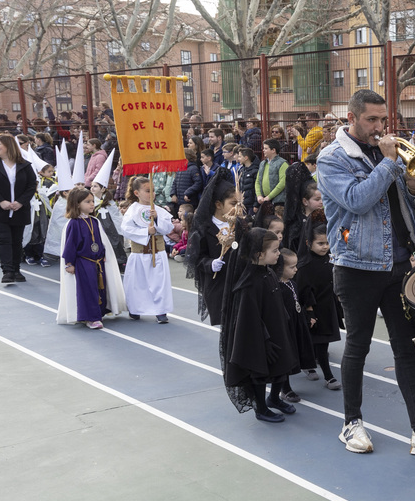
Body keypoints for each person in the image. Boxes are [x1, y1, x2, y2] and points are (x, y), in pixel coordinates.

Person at [316, 89, 415, 456]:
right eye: (372, 120)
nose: (380, 127)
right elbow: (357, 201)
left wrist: (413, 187)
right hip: (356, 265)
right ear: (351, 118)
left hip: (398, 265)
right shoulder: (332, 158)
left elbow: (404, 209)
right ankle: (352, 423)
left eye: (384, 120)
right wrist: (388, 164)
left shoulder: (390, 156)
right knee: (358, 347)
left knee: (406, 348)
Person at [219, 227, 298, 422]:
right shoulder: (249, 283)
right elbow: (249, 317)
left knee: (283, 366)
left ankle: (274, 399)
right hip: (261, 337)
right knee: (260, 373)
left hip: (278, 330)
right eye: (274, 250)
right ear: (258, 254)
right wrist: (265, 339)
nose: (278, 254)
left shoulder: (268, 272)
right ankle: (261, 408)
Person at [56, 186, 125, 329]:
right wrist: (69, 263)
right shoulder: (74, 224)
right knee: (88, 289)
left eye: (92, 201)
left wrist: (103, 254)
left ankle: (99, 312)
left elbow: (100, 241)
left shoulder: (94, 221)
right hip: (83, 262)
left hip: (98, 262)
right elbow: (70, 245)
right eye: (88, 202)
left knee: (100, 287)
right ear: (77, 204)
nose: (92, 204)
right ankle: (91, 317)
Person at [184, 175, 244, 325]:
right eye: (233, 203)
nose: (237, 207)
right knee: (226, 324)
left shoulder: (240, 225)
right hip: (217, 286)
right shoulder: (204, 229)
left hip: (239, 283)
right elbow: (196, 258)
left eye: (239, 203)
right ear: (218, 204)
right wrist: (211, 264)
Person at [0, 134, 38, 284]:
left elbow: (32, 184)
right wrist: (0, 201)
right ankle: (7, 271)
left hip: (19, 209)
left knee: (17, 241)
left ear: (9, 145)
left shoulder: (24, 164)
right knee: (3, 239)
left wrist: (20, 202)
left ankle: (16, 270)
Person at [119, 176, 174, 324]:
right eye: (148, 191)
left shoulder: (159, 210)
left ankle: (160, 311)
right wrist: (145, 232)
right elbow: (125, 229)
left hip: (158, 253)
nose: (152, 194)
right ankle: (136, 309)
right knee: (137, 283)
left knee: (159, 282)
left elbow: (169, 228)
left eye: (153, 190)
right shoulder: (133, 210)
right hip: (139, 253)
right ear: (137, 193)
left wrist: (156, 220)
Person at [298, 222, 341, 391]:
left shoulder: (330, 259)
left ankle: (323, 372)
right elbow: (303, 290)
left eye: (327, 243)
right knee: (311, 342)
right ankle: (326, 375)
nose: (325, 247)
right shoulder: (305, 265)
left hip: (327, 307)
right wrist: (310, 311)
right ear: (309, 243)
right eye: (320, 243)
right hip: (313, 310)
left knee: (323, 344)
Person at [273, 247, 316, 402]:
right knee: (286, 357)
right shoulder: (276, 286)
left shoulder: (292, 284)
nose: (296, 269)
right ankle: (285, 388)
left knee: (295, 353)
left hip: (297, 325)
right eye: (291, 267)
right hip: (285, 327)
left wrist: (306, 317)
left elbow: (298, 303)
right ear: (279, 268)